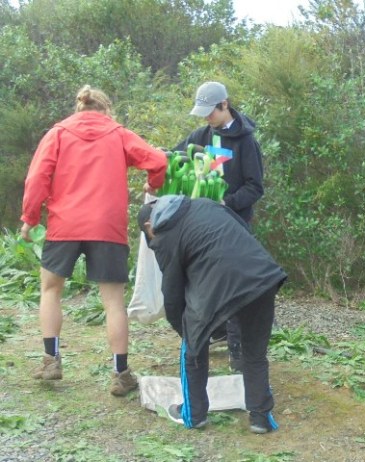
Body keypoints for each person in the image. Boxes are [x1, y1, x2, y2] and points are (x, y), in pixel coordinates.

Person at [20, 85, 167, 396]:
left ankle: (51, 361)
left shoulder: (58, 134)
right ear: (106, 109)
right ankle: (121, 374)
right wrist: (153, 185)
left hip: (65, 224)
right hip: (107, 226)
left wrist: (30, 218)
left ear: (79, 108)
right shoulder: (119, 134)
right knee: (113, 302)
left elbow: (37, 178)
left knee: (51, 289)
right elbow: (157, 161)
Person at [137, 195, 287, 433]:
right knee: (255, 352)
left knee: (192, 348)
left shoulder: (164, 235)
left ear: (149, 225)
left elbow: (172, 294)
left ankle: (193, 415)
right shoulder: (205, 204)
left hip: (222, 283)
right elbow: (243, 231)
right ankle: (260, 418)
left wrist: (187, 333)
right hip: (262, 276)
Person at [172, 81, 264, 372]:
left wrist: (228, 202)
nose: (206, 118)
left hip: (235, 226)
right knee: (201, 284)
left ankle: (238, 350)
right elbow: (175, 158)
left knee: (234, 288)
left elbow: (255, 187)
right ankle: (209, 336)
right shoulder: (201, 136)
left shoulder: (246, 141)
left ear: (225, 105)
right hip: (202, 228)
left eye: (210, 112)